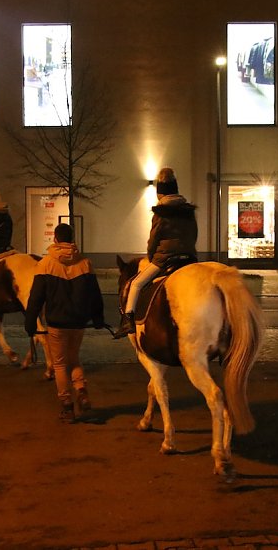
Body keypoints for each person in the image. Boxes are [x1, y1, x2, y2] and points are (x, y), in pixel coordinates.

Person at [25, 223, 105, 422]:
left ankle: (67, 405)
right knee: (74, 359)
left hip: (57, 322)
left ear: (55, 239)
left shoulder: (45, 264)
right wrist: (97, 317)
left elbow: (36, 297)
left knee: (60, 364)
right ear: (72, 239)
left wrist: (30, 321)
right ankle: (81, 391)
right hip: (78, 321)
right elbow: (95, 294)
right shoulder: (85, 263)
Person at [113, 167, 198, 339]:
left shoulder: (160, 213)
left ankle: (128, 320)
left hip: (165, 259)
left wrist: (152, 257)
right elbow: (194, 234)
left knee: (136, 284)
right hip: (189, 257)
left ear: (160, 193)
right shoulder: (189, 211)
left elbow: (153, 240)